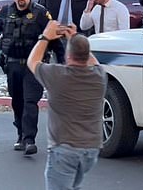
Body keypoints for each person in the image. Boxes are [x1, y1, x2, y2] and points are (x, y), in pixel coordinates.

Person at [26, 21, 106, 190]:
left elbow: (32, 61)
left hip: (65, 149)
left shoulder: (57, 76)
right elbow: (92, 61)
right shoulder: (100, 77)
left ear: (68, 56)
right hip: (91, 150)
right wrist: (75, 38)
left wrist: (45, 36)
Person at [0, 0, 65, 156]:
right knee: (17, 101)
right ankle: (20, 133)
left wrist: (63, 63)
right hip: (12, 65)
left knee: (30, 102)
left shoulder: (41, 13)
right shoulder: (5, 12)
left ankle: (29, 140)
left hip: (33, 65)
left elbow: (55, 40)